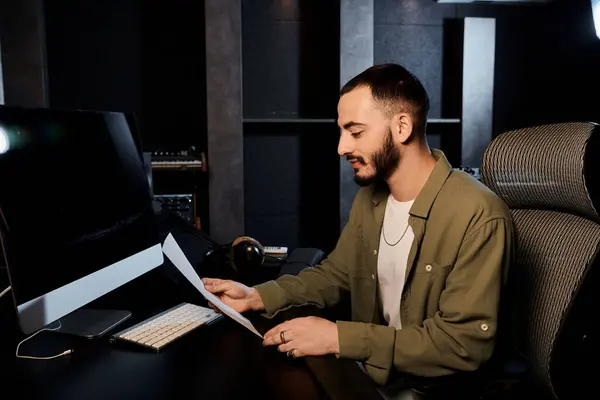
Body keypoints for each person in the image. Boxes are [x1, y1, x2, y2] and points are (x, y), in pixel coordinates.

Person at [202, 63, 514, 390]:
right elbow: (336, 274)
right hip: (372, 377)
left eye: (356, 131)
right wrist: (256, 297)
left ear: (402, 126)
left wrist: (339, 337)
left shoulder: (478, 213)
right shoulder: (370, 200)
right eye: (342, 131)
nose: (341, 147)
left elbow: (463, 344)